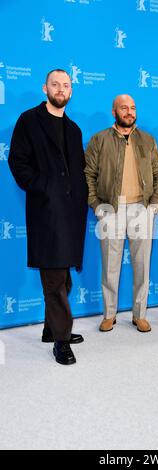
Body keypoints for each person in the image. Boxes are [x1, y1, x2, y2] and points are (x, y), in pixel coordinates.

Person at [8, 69, 88, 365]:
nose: (60, 89)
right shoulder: (29, 121)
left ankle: (50, 328)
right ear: (45, 88)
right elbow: (18, 161)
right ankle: (62, 340)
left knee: (64, 277)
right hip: (46, 211)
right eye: (55, 84)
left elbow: (78, 168)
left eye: (66, 85)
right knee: (54, 279)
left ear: (71, 91)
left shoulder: (75, 129)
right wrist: (43, 188)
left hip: (72, 213)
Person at [84, 94, 158, 333]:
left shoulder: (147, 140)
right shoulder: (99, 139)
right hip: (111, 209)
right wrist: (97, 205)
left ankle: (140, 314)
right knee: (110, 265)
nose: (129, 112)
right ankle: (109, 314)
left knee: (142, 265)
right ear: (114, 112)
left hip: (142, 209)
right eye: (124, 108)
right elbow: (88, 175)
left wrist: (153, 203)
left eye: (132, 108)